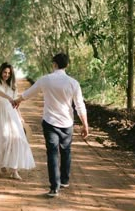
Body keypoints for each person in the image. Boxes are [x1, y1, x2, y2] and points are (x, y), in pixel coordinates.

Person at [15, 53, 89, 196]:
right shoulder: (73, 83)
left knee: (52, 153)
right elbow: (80, 105)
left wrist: (17, 100)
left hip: (50, 122)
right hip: (67, 123)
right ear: (67, 65)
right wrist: (85, 125)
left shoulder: (45, 80)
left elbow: (29, 93)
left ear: (54, 64)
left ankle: (54, 187)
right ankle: (65, 180)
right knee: (66, 151)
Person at [0, 62, 35, 179]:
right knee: (4, 138)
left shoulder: (13, 86)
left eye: (8, 73)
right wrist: (9, 97)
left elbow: (16, 105)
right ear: (1, 72)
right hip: (1, 115)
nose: (6, 75)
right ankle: (3, 162)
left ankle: (14, 170)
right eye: (4, 72)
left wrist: (20, 117)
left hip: (13, 115)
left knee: (18, 140)